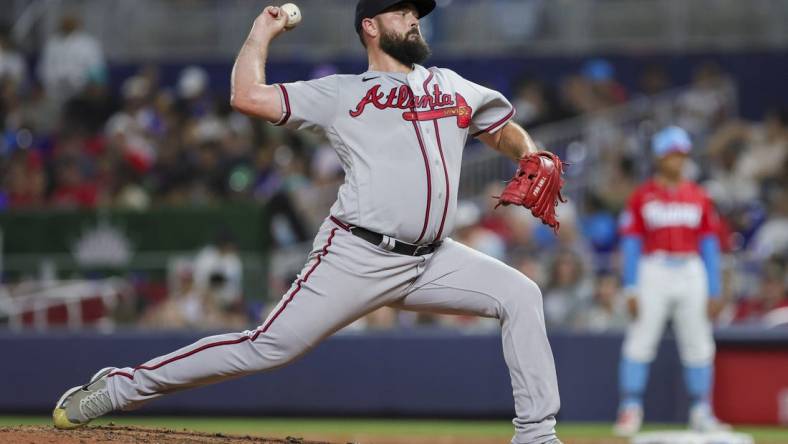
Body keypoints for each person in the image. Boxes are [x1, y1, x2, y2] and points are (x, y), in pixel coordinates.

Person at [52, 2, 563, 443]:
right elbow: (246, 95)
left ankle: (537, 435)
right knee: (267, 347)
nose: (413, 20)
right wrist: (261, 33)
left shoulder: (450, 85)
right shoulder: (341, 92)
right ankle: (121, 386)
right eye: (401, 11)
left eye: (416, 13)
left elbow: (502, 130)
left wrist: (530, 153)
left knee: (521, 295)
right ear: (370, 26)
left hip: (432, 257)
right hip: (358, 255)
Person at [613, 126, 729, 436]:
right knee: (641, 339)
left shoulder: (699, 195)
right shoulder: (642, 196)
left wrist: (715, 288)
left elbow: (709, 244)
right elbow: (632, 244)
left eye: (682, 154)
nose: (678, 160)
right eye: (672, 154)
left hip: (690, 269)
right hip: (655, 268)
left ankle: (701, 410)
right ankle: (630, 408)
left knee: (699, 342)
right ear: (660, 157)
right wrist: (630, 286)